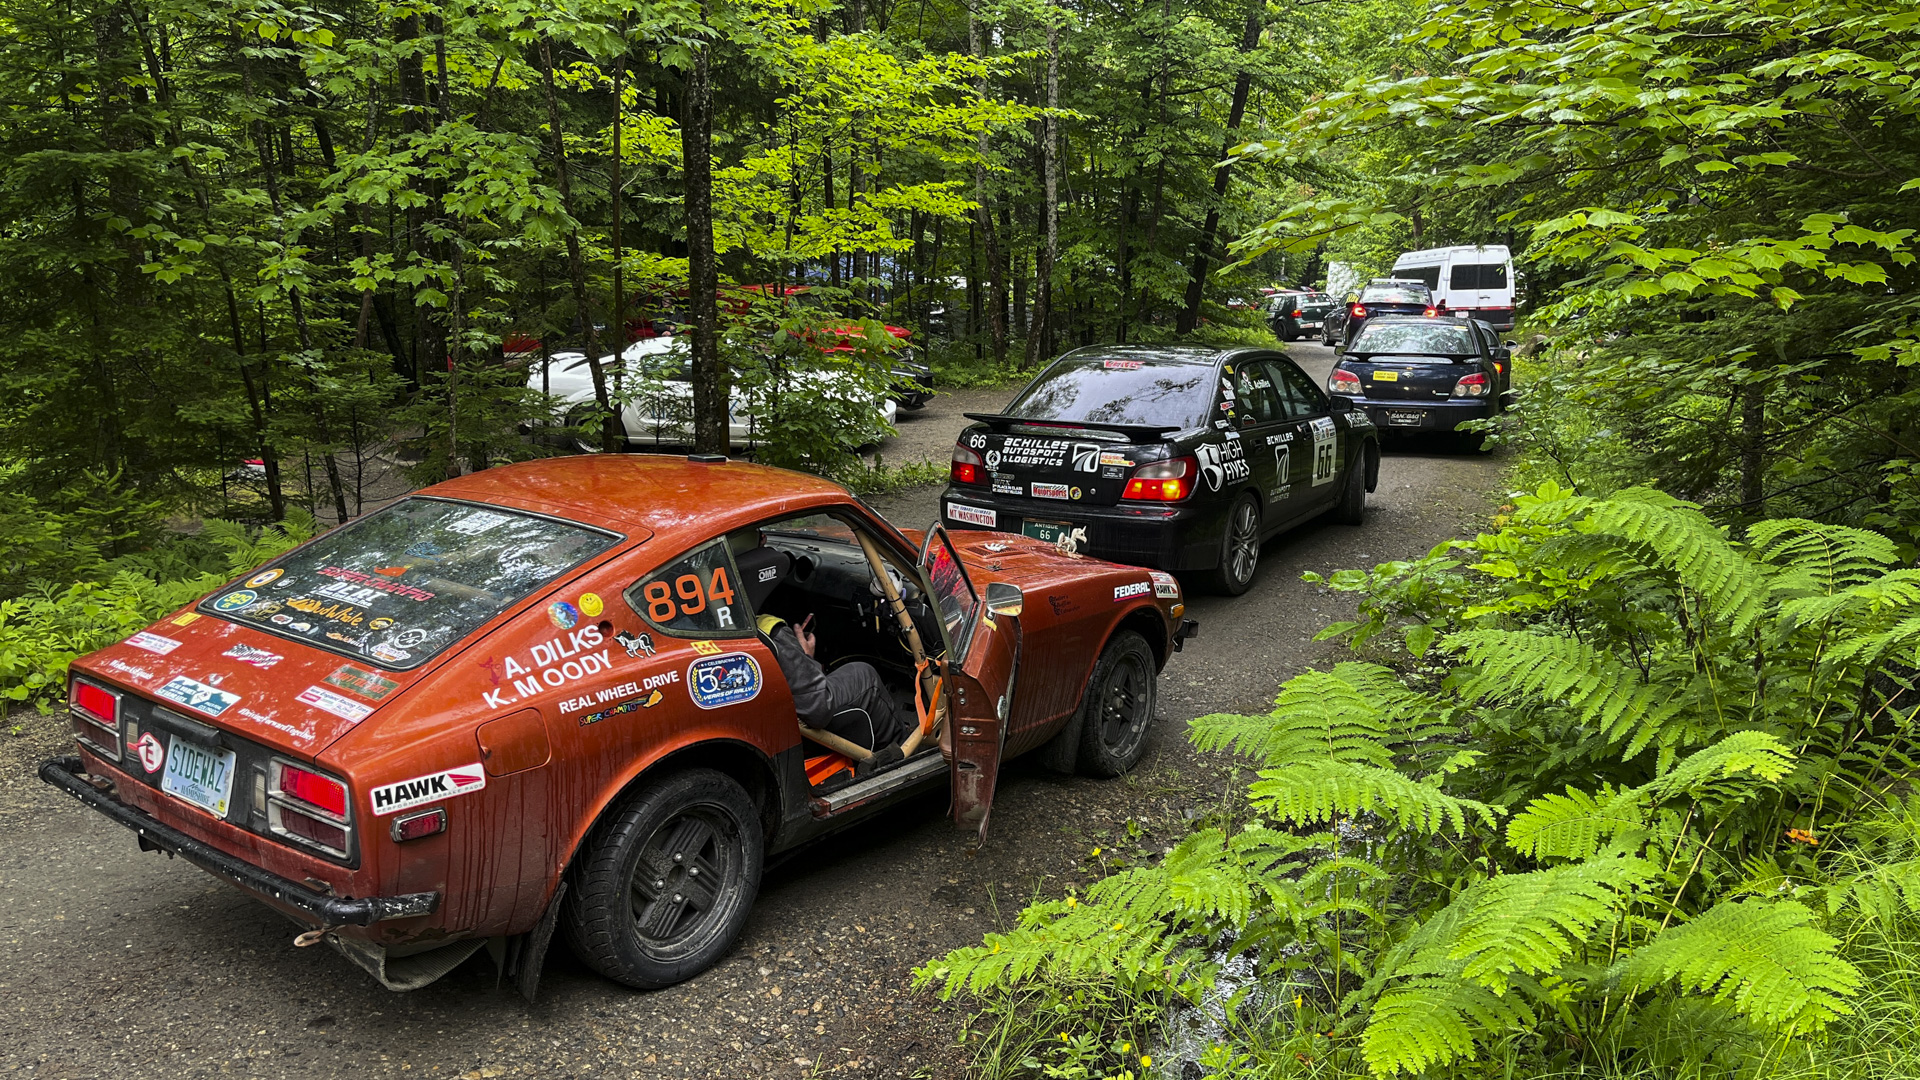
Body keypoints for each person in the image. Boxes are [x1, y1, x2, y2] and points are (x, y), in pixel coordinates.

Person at [736, 544, 914, 753]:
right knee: (864, 675)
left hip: (758, 727)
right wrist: (805, 659)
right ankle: (901, 749)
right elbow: (818, 708)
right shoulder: (769, 631)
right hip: (793, 730)